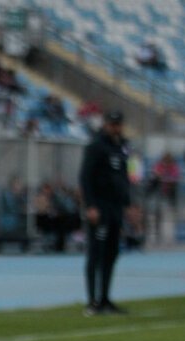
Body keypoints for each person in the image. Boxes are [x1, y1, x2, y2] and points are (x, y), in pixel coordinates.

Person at [79, 110, 132, 316]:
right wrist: (90, 206)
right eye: (112, 124)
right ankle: (92, 301)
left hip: (115, 208)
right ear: (106, 125)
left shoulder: (120, 147)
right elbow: (85, 178)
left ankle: (105, 298)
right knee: (96, 253)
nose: (115, 128)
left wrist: (128, 205)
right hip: (99, 207)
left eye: (118, 124)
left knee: (111, 253)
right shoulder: (96, 146)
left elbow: (123, 178)